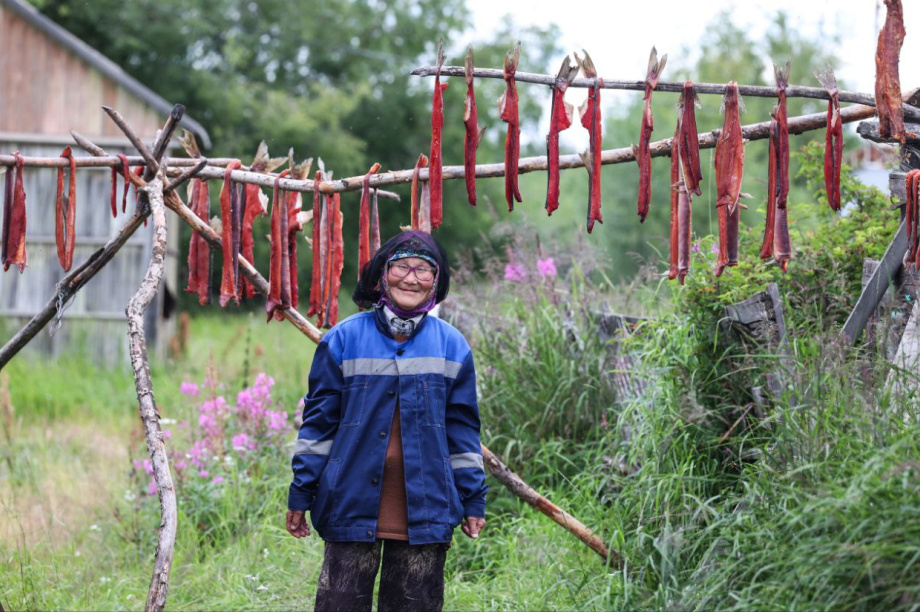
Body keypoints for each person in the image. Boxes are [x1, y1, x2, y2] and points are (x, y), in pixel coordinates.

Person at [286, 230, 488, 612]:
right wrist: (302, 490)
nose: (411, 278)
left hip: (427, 508)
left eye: (424, 270)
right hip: (349, 500)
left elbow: (463, 433)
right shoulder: (343, 339)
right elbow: (318, 427)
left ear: (436, 282)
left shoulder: (452, 346)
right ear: (382, 274)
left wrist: (473, 498)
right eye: (401, 266)